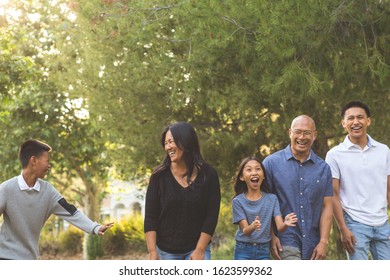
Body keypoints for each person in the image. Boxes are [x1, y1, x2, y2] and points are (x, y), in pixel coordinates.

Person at [0, 139, 113, 260]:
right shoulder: (6, 189)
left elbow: (71, 211)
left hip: (29, 258)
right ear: (33, 161)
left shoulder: (48, 191)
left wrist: (94, 227)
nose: (49, 165)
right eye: (47, 161)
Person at [144, 122, 221, 260]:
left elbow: (211, 216)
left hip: (197, 248)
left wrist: (199, 250)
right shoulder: (158, 177)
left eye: (171, 142)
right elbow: (150, 217)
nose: (168, 147)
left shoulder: (209, 175)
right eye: (165, 143)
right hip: (166, 251)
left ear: (186, 141)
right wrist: (152, 251)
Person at [325, 101, 390, 260]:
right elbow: (333, 194)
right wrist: (343, 228)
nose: (356, 122)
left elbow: (388, 188)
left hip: (383, 223)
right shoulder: (334, 154)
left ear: (368, 121)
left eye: (360, 117)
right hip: (355, 224)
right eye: (351, 118)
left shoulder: (383, 150)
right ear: (343, 123)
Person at [262, 115, 333, 260]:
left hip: (313, 243)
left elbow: (327, 206)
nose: (302, 137)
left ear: (314, 135)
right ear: (290, 133)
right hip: (285, 240)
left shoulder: (323, 168)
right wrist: (271, 236)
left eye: (307, 133)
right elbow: (262, 203)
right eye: (298, 132)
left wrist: (323, 242)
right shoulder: (271, 163)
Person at [232, 156, 298, 260]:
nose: (254, 173)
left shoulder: (272, 199)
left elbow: (280, 227)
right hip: (243, 250)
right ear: (242, 177)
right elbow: (245, 230)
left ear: (263, 176)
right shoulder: (238, 201)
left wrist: (285, 223)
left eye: (258, 169)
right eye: (249, 170)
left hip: (263, 250)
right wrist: (253, 226)